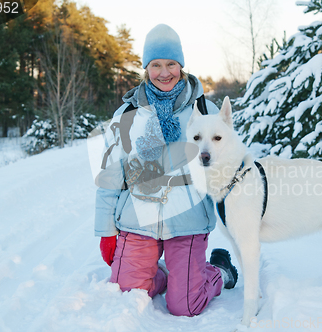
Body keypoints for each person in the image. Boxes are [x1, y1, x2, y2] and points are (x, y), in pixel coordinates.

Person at [94, 23, 238, 317]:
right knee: (129, 293)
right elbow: (109, 176)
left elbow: (228, 166)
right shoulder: (126, 115)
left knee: (184, 305)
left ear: (181, 65)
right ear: (146, 68)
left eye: (171, 64)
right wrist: (107, 232)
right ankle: (161, 274)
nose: (164, 72)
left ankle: (217, 271)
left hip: (187, 219)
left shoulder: (206, 110)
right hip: (137, 220)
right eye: (156, 65)